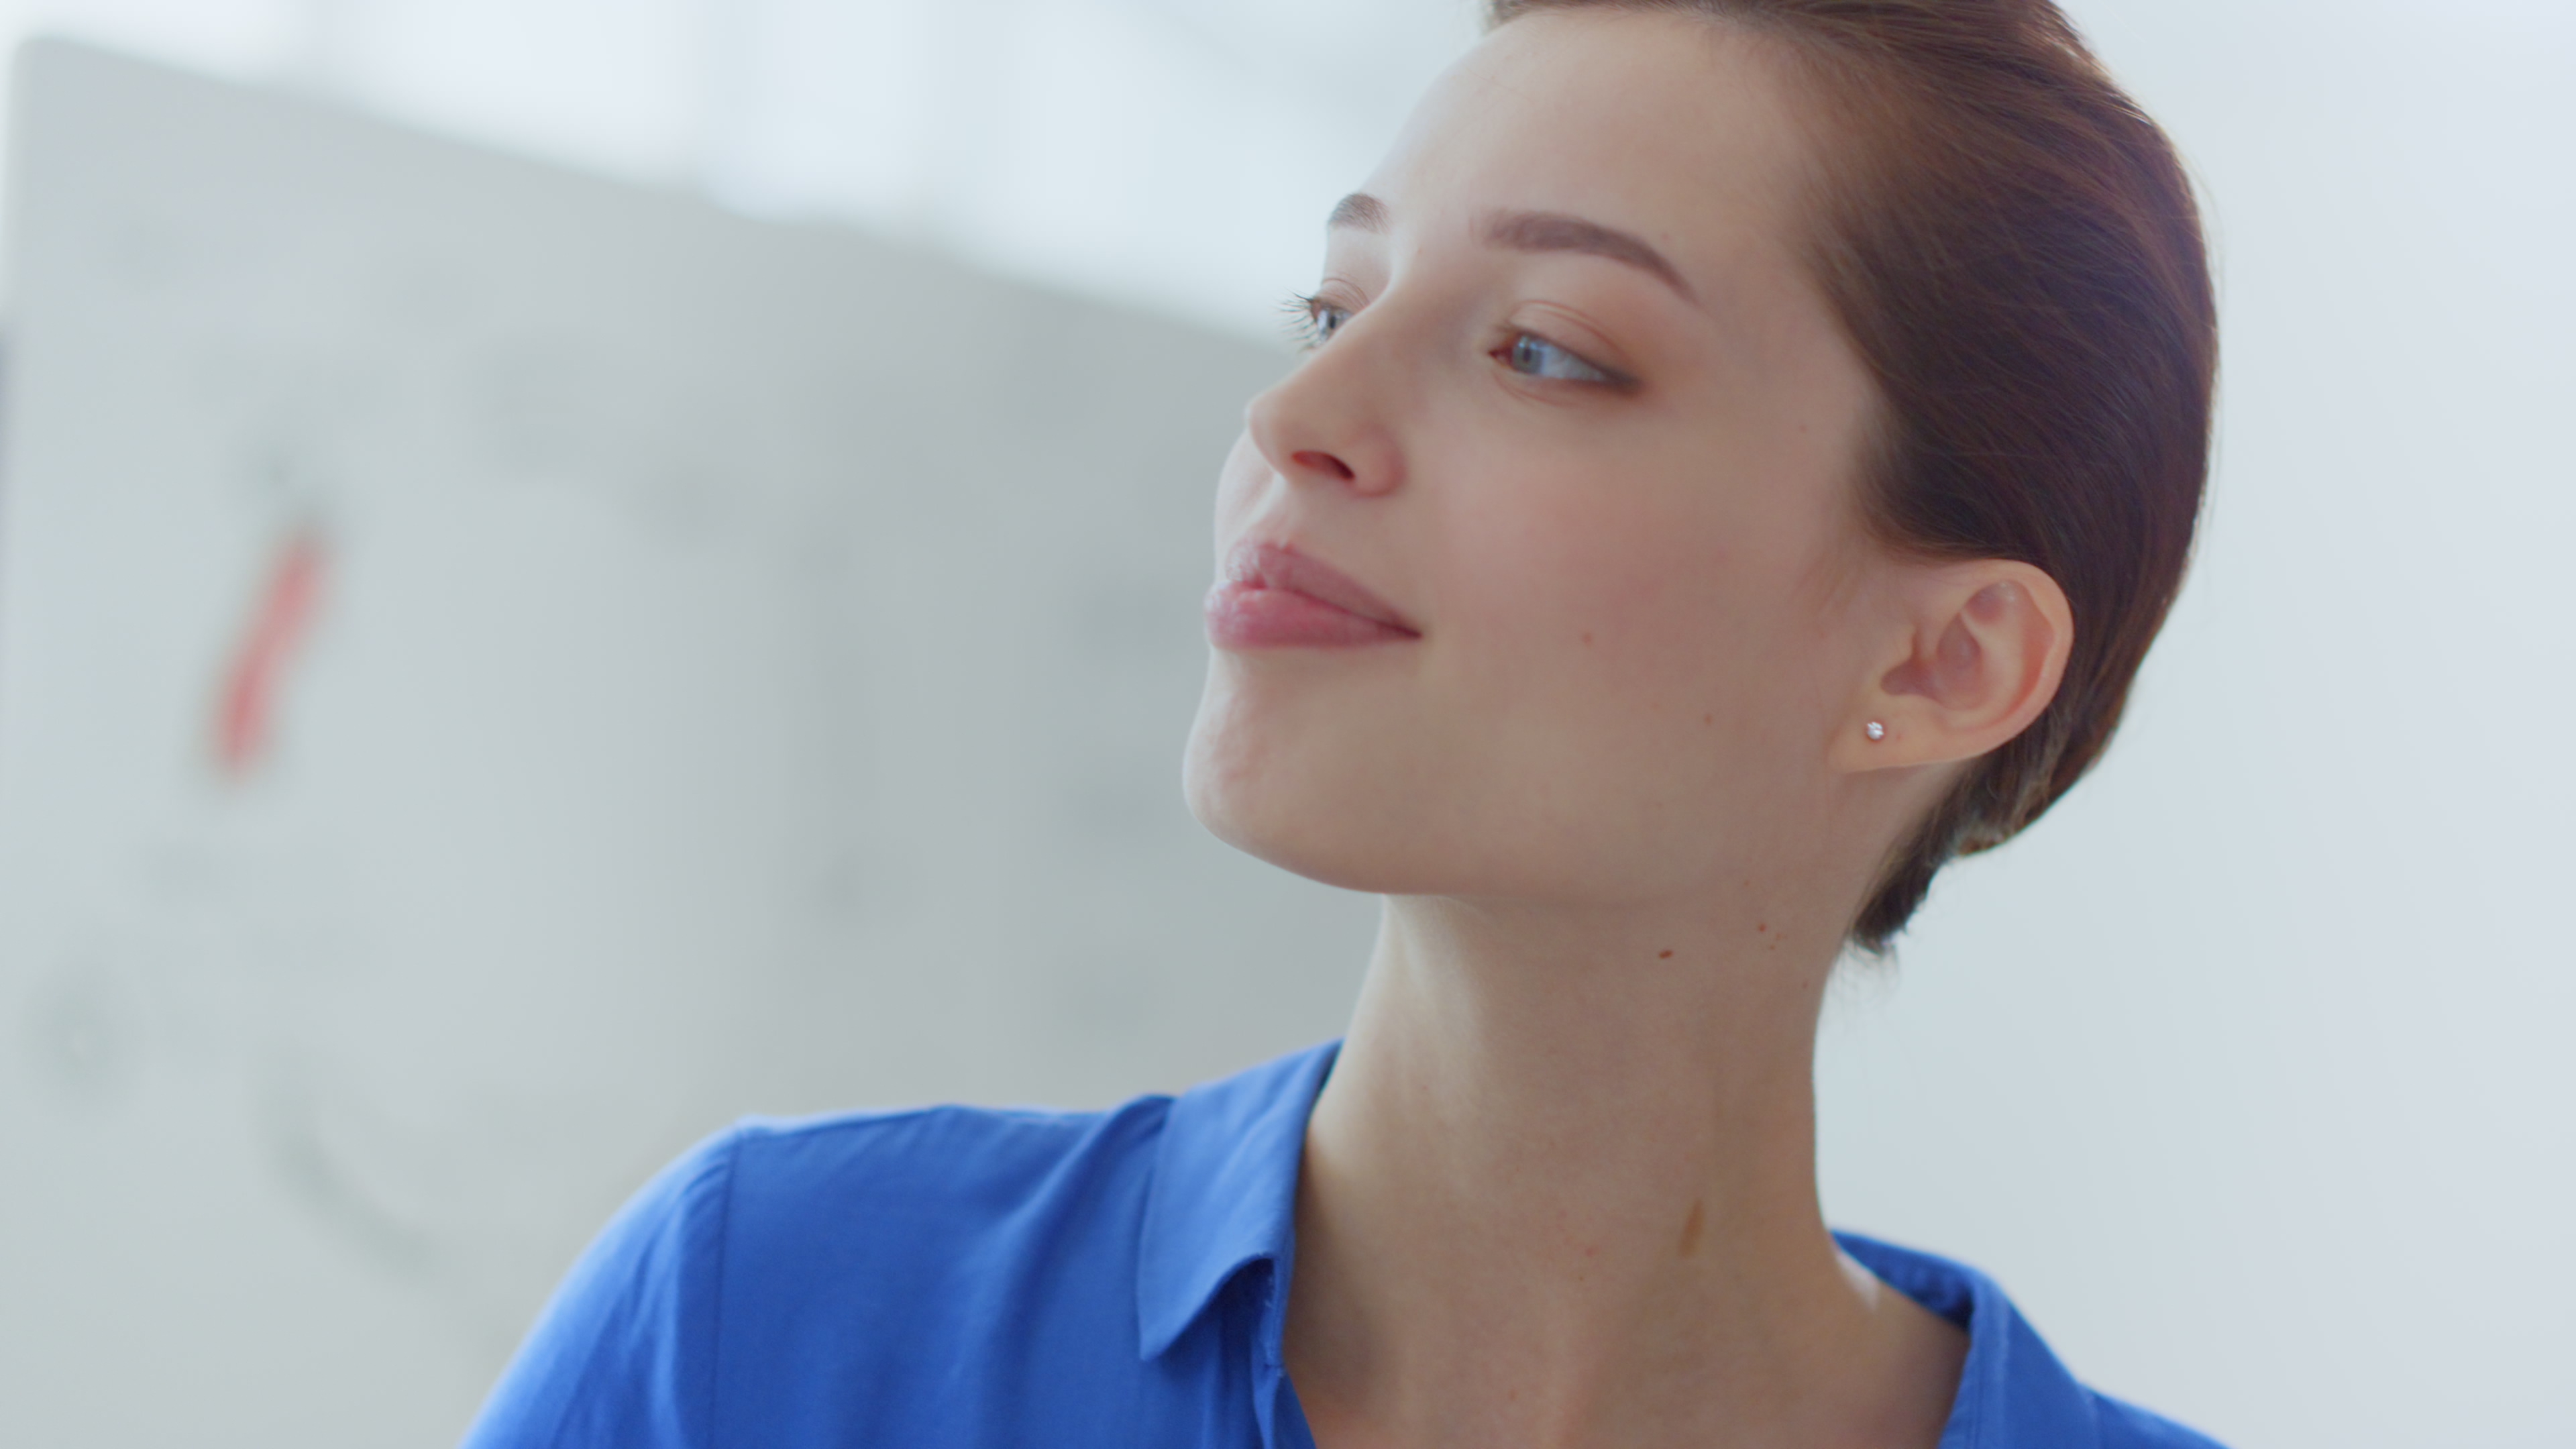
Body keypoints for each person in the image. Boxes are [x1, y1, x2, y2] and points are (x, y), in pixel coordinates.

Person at [462, 1, 2222, 1445]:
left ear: (1940, 666)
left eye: (1544, 350)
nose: (1298, 410)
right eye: (1334, 303)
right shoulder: (772, 1329)